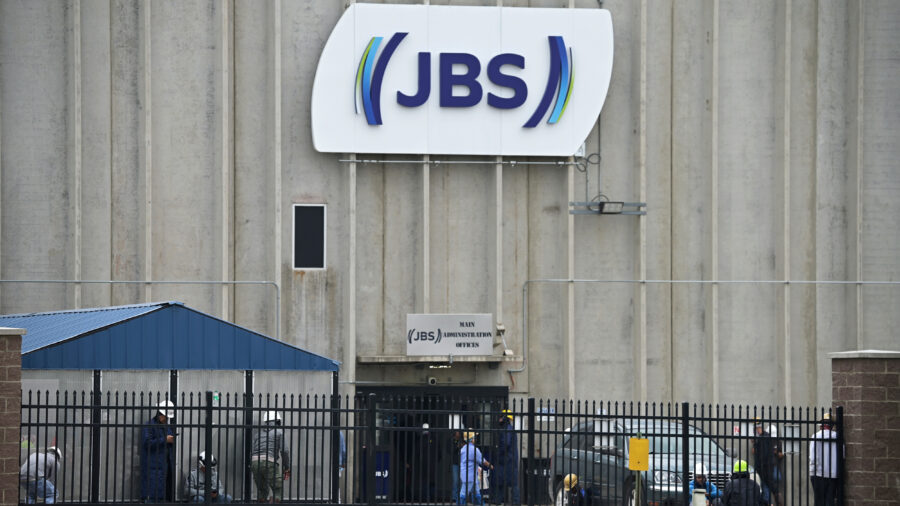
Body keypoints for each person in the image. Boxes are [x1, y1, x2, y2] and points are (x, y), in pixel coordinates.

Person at [251, 410, 291, 503]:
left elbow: (253, 449)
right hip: (269, 462)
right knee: (277, 489)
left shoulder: (258, 434)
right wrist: (286, 468)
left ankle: (262, 501)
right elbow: (284, 451)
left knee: (262, 491)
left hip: (255, 462)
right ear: (277, 421)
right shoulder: (279, 432)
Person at [140, 400, 176, 502]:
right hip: (153, 464)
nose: (167, 419)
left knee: (162, 493)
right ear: (160, 414)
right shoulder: (149, 425)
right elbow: (147, 443)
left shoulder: (166, 427)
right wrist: (165, 440)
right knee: (151, 493)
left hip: (165, 464)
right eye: (166, 417)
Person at [809, 413, 839, 506]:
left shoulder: (816, 436)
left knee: (819, 501)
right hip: (833, 474)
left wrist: (812, 471)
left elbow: (813, 457)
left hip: (818, 474)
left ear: (821, 425)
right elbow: (842, 456)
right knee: (830, 500)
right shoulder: (838, 436)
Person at [751, 418, 782, 505]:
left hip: (766, 467)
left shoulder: (764, 437)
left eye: (756, 428)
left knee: (767, 490)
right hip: (765, 467)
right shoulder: (762, 437)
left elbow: (764, 454)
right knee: (771, 489)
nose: (755, 430)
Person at [491, 409, 520, 505]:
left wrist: (498, 452)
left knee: (507, 482)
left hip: (506, 460)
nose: (499, 419)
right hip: (508, 459)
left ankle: (513, 501)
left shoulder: (507, 429)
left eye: (501, 417)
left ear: (505, 418)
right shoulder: (509, 428)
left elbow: (506, 443)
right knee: (505, 482)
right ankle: (501, 500)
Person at [458, 431, 492, 505]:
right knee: (463, 493)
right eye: (474, 437)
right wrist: (490, 465)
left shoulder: (463, 449)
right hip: (470, 475)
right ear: (472, 439)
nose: (476, 439)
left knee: (476, 492)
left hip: (467, 474)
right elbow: (482, 460)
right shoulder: (474, 449)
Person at [451, 430, 464, 501]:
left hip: (462, 463)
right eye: (457, 432)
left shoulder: (463, 441)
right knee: (455, 481)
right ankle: (454, 497)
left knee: (462, 481)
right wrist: (457, 447)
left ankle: (461, 497)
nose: (459, 433)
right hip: (455, 463)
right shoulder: (451, 441)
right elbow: (450, 451)